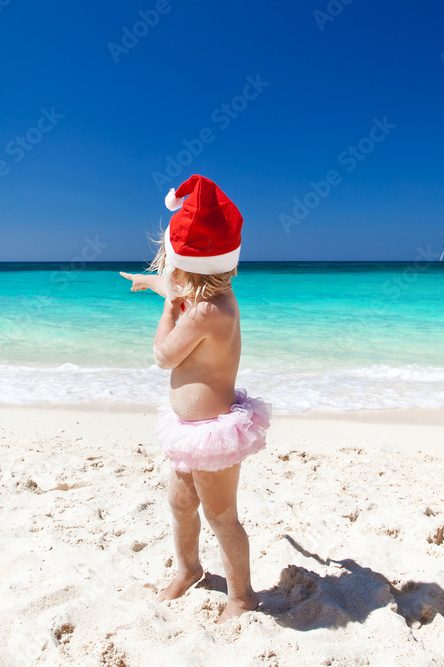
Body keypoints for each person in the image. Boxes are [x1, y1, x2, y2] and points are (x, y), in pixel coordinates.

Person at [120, 174, 270, 623]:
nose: (169, 272)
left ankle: (242, 597)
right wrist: (151, 284)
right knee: (181, 502)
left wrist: (168, 308)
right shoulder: (214, 295)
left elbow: (164, 355)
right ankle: (189, 569)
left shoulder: (205, 312)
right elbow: (177, 287)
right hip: (188, 433)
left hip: (212, 435)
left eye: (169, 263)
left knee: (222, 517)